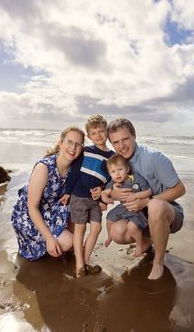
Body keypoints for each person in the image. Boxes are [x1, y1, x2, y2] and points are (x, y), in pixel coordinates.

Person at [106, 118, 186, 280]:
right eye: (116, 142)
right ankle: (147, 240)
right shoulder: (117, 163)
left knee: (155, 205)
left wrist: (147, 201)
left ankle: (158, 262)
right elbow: (107, 190)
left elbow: (180, 189)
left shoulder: (153, 158)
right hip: (140, 217)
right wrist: (113, 193)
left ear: (134, 136)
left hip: (168, 214)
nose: (121, 146)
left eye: (125, 139)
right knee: (117, 232)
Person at [11, 126, 85, 261]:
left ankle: (64, 244)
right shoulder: (44, 168)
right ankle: (48, 244)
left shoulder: (75, 169)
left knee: (77, 204)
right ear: (60, 143)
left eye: (78, 144)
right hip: (29, 215)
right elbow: (31, 207)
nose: (73, 147)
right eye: (69, 142)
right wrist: (49, 238)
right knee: (68, 242)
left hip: (51, 210)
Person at [63, 115, 114, 278]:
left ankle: (84, 262)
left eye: (101, 131)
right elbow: (73, 173)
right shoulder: (85, 152)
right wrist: (67, 192)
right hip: (78, 196)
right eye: (94, 133)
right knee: (80, 229)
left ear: (106, 132)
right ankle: (79, 266)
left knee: (97, 228)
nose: (98, 135)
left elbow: (111, 179)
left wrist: (103, 195)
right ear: (89, 136)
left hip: (95, 201)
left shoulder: (112, 157)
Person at [102, 154, 151, 257]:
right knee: (109, 217)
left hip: (136, 208)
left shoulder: (136, 178)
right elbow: (105, 192)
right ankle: (109, 236)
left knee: (132, 227)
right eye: (113, 172)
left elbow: (149, 191)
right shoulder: (114, 182)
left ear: (127, 169)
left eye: (120, 169)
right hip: (123, 207)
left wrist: (137, 195)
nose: (117, 174)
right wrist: (106, 198)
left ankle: (139, 245)